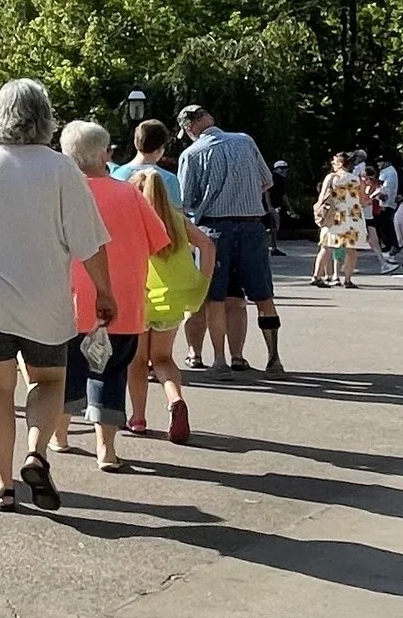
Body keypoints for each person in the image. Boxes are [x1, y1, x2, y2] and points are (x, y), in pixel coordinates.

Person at [0, 78, 114, 514]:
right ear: (45, 119)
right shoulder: (60, 170)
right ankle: (37, 453)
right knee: (48, 380)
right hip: (45, 297)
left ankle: (2, 484)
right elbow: (89, 244)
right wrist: (105, 292)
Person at [59, 121, 167, 473]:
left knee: (63, 371)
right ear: (104, 153)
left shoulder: (61, 196)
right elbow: (158, 241)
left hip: (66, 301)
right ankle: (106, 449)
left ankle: (59, 437)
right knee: (110, 372)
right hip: (121, 303)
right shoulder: (129, 194)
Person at [176, 103, 285, 376]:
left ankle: (220, 360)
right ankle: (272, 358)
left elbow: (186, 200)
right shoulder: (245, 141)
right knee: (260, 295)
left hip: (214, 229)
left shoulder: (192, 154)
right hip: (252, 226)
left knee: (215, 297)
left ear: (189, 128)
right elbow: (267, 180)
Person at [123, 117, 206, 444]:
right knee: (164, 359)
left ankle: (138, 417)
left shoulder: (119, 178)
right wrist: (202, 278)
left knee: (137, 361)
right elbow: (202, 241)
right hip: (169, 292)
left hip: (137, 291)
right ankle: (175, 399)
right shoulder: (171, 187)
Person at [313, 152, 367, 289]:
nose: (332, 164)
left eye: (334, 162)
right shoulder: (356, 179)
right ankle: (347, 279)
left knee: (326, 246)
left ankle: (317, 276)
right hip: (353, 216)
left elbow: (322, 198)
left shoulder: (332, 178)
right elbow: (363, 200)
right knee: (351, 249)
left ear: (340, 163)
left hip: (335, 215)